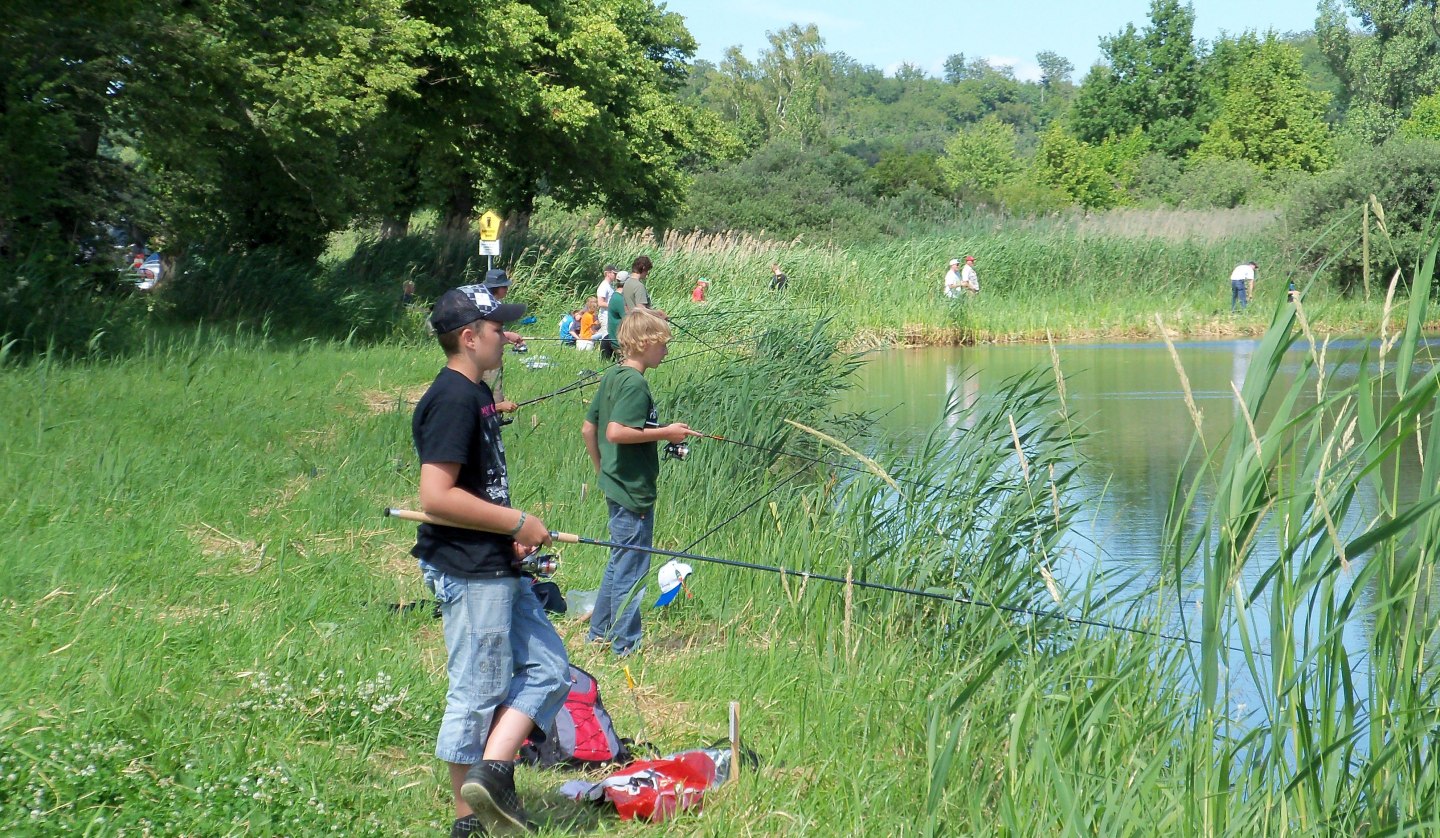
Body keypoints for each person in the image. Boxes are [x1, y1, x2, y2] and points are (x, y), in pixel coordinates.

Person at [412, 284, 570, 837]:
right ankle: (468, 823)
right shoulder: (452, 398)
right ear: (468, 337)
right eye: (497, 327)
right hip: (466, 568)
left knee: (550, 670)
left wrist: (511, 536)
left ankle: (494, 773)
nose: (507, 335)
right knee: (477, 692)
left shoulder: (475, 394)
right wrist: (516, 522)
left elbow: (479, 491)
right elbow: (435, 496)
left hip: (495, 559)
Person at [581, 309, 700, 657]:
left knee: (620, 560)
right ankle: (626, 646)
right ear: (646, 344)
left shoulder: (613, 376)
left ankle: (599, 633)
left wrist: (602, 470)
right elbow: (616, 432)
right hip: (633, 490)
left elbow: (590, 429)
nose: (666, 352)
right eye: (663, 345)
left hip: (616, 483)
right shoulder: (635, 383)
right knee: (632, 570)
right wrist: (668, 432)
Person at [621, 255, 666, 320]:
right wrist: (658, 314)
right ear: (643, 268)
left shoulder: (626, 283)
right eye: (647, 270)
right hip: (640, 324)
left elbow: (626, 307)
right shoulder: (639, 286)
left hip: (629, 323)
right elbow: (641, 309)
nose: (647, 273)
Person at [600, 271, 627, 360]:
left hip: (615, 339)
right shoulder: (619, 299)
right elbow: (629, 319)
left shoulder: (615, 296)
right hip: (620, 342)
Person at [596, 264, 617, 338]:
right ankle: (604, 349)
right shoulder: (604, 286)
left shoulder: (610, 286)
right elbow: (600, 303)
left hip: (609, 314)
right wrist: (614, 306)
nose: (616, 275)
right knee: (606, 335)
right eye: (614, 273)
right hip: (605, 315)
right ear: (608, 273)